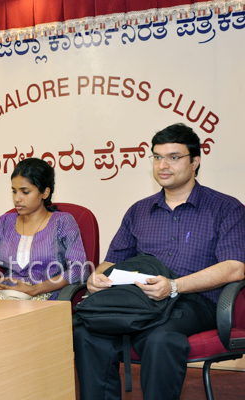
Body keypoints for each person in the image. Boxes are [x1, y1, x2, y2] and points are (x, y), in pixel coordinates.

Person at [74, 123, 245, 400]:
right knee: (87, 334)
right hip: (141, 300)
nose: (163, 165)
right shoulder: (138, 211)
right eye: (157, 157)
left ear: (195, 162)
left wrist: (174, 286)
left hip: (193, 301)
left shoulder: (225, 208)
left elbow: (235, 267)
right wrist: (98, 277)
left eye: (173, 157)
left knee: (160, 338)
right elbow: (112, 261)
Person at [0, 158, 89, 301]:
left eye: (25, 192)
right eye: (14, 191)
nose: (17, 198)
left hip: (43, 296)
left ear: (45, 193)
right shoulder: (3, 223)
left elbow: (79, 270)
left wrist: (34, 289)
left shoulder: (62, 222)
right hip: (3, 294)